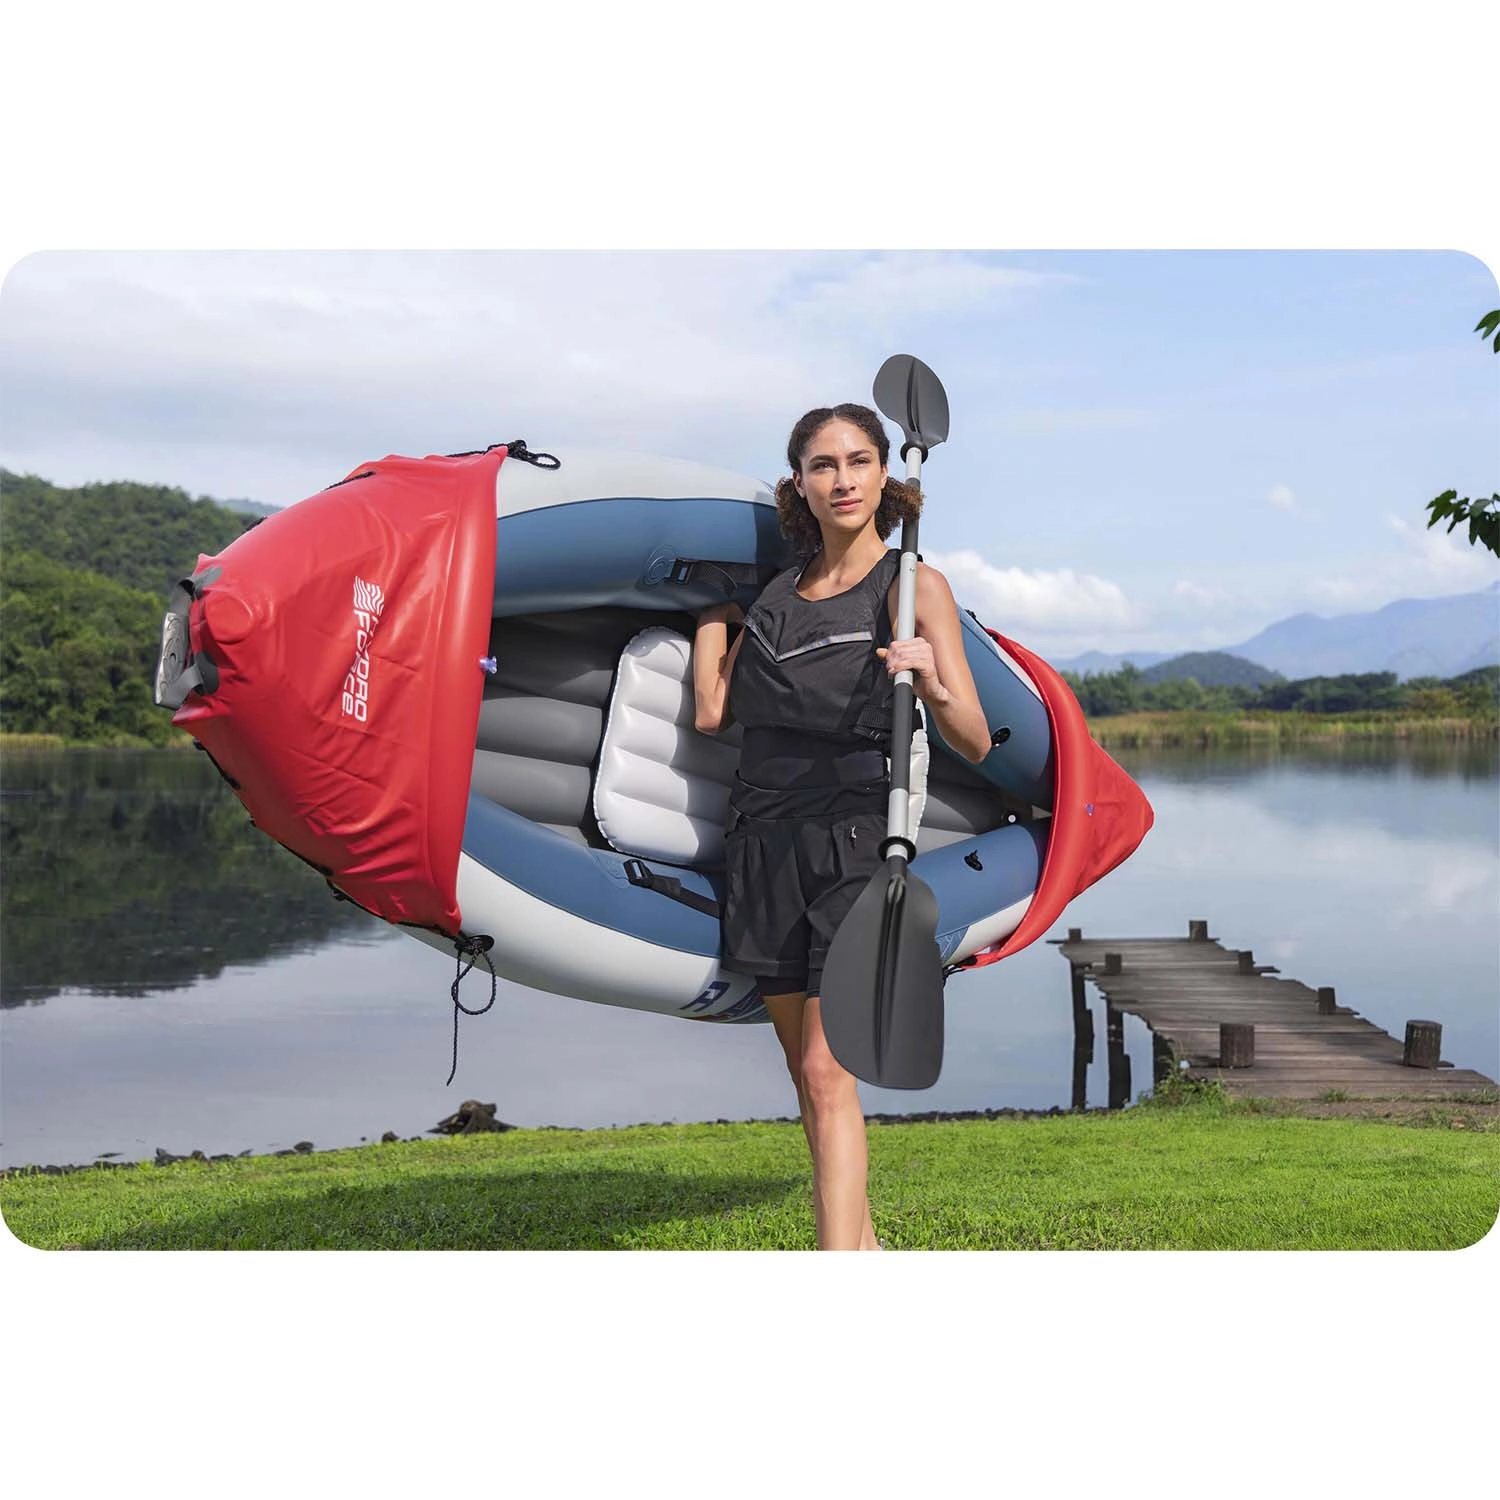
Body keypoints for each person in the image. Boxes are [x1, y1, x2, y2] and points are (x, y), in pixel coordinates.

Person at [693, 402, 992, 1250]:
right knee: (809, 1076)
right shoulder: (774, 596)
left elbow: (973, 736)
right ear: (799, 484)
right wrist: (710, 617)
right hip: (762, 842)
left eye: (859, 461)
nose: (843, 480)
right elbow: (714, 712)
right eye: (823, 466)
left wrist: (931, 683)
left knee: (830, 1069)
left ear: (885, 475)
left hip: (858, 839)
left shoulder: (912, 587)